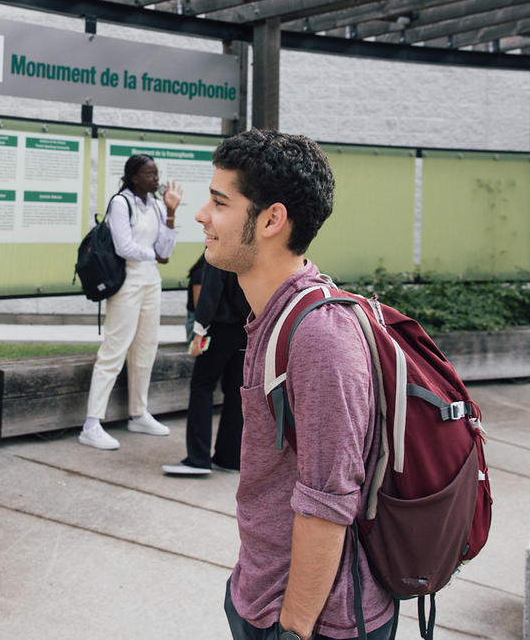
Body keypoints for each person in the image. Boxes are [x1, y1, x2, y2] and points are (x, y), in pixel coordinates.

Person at [197, 129, 396, 640]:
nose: (202, 216)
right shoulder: (275, 315)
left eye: (219, 203)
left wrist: (293, 628)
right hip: (261, 596)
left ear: (270, 220)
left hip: (317, 623)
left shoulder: (319, 337)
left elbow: (328, 504)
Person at [78, 154, 182, 450]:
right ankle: (91, 423)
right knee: (114, 349)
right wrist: (155, 255)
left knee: (146, 348)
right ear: (134, 177)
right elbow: (124, 247)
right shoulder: (120, 203)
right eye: (149, 174)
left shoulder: (158, 206)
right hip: (126, 283)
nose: (156, 178)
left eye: (156, 172)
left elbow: (165, 249)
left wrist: (172, 213)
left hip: (151, 281)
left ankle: (138, 413)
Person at [162, 254, 247, 476]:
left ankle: (198, 459)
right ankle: (229, 458)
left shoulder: (219, 249)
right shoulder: (250, 244)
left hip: (218, 328)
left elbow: (210, 292)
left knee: (202, 387)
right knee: (235, 392)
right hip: (245, 329)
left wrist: (199, 330)